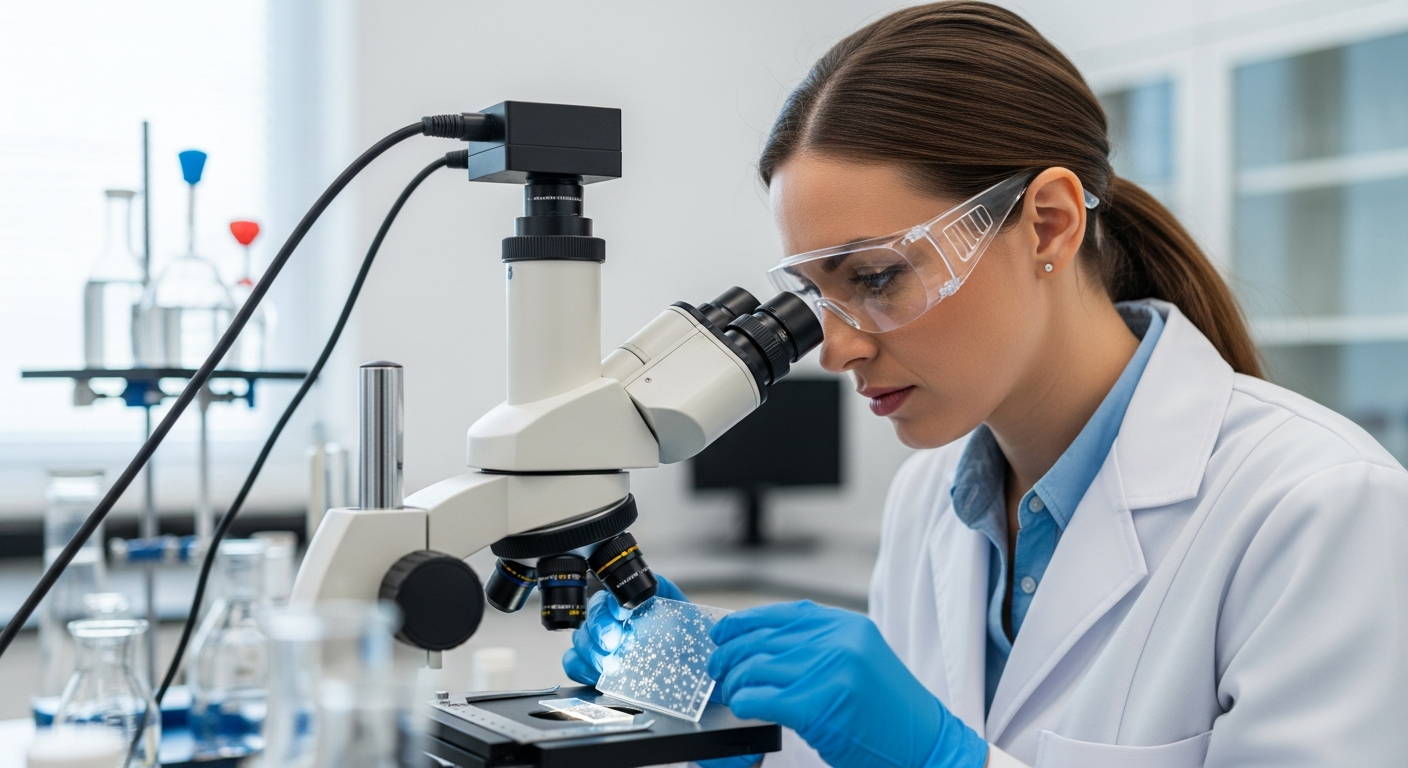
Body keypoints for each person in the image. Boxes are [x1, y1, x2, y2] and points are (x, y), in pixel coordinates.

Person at [564, 3, 1408, 766]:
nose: (838, 349)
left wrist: (944, 761)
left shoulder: (1320, 508)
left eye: (879, 277)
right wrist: (739, 715)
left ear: (1049, 223)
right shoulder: (931, 497)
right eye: (821, 295)